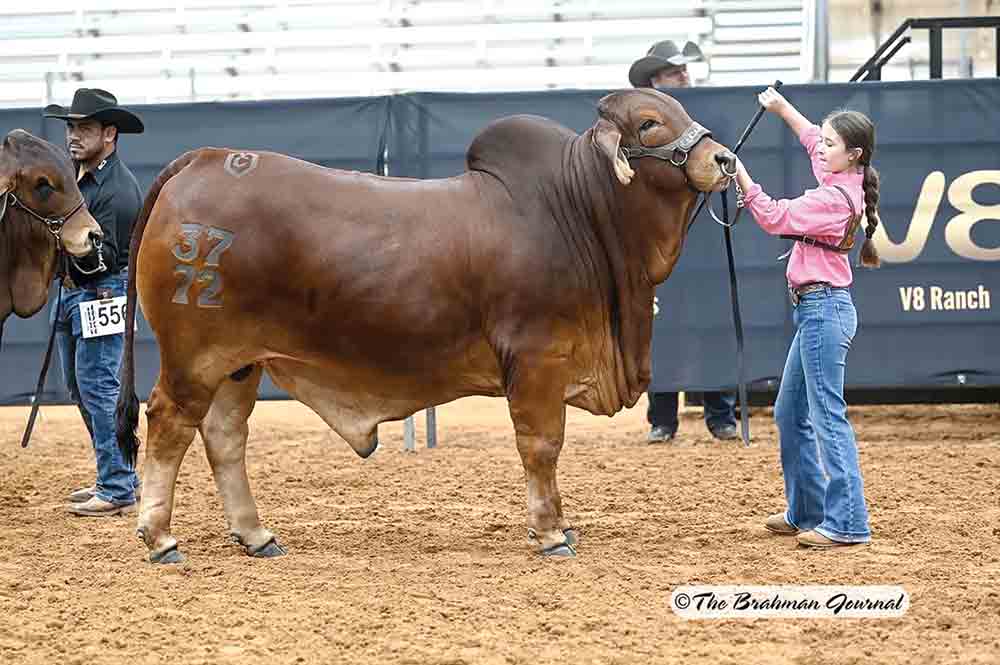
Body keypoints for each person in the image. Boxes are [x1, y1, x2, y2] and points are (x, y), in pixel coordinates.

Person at [733, 86, 880, 547]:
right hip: (820, 309)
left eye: (832, 145)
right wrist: (780, 108)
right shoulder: (845, 177)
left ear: (852, 154)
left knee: (825, 416)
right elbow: (811, 135)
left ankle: (848, 524)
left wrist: (740, 175)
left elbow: (775, 218)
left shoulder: (835, 199)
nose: (822, 148)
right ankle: (807, 511)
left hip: (823, 311)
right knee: (791, 410)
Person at [629, 39, 739, 443]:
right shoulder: (640, 126)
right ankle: (662, 417)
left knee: (713, 323)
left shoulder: (708, 117)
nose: (684, 77)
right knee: (660, 327)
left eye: (683, 71)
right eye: (675, 72)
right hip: (658, 244)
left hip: (704, 240)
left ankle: (720, 413)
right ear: (655, 80)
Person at [43, 88, 144, 517]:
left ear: (110, 133)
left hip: (103, 291)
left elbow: (102, 260)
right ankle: (115, 475)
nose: (73, 136)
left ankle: (118, 486)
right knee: (81, 389)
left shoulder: (117, 191)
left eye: (84, 128)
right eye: (70, 127)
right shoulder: (76, 177)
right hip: (73, 293)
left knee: (99, 388)